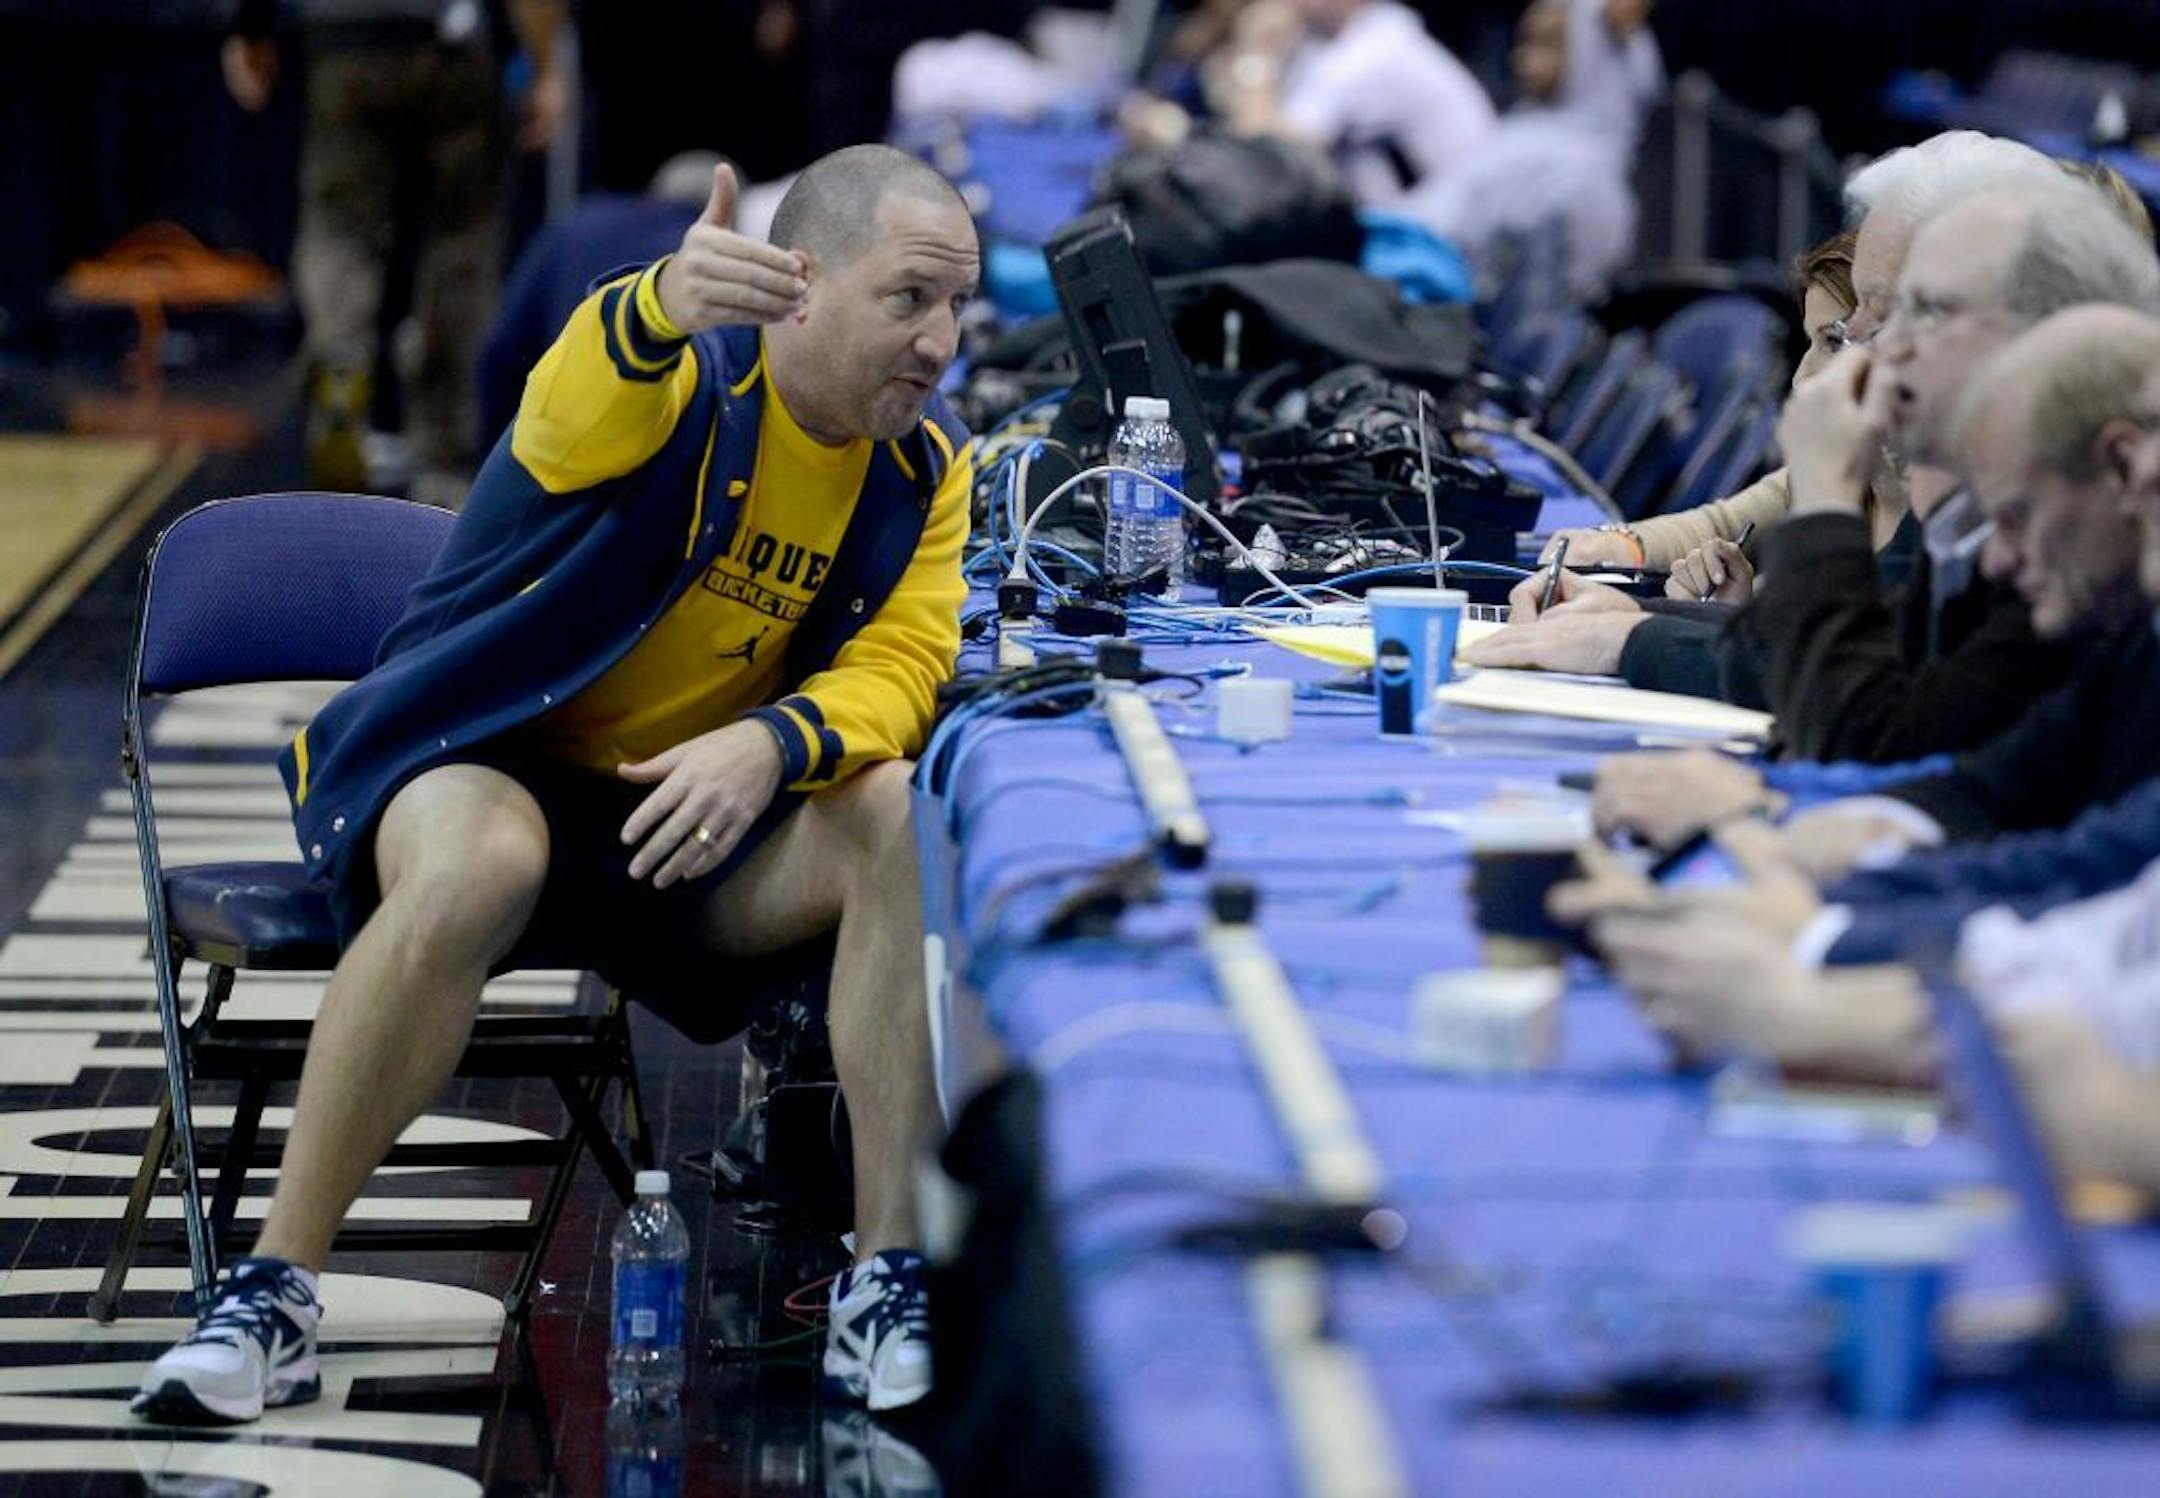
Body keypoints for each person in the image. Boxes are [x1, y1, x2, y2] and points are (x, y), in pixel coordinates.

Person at [131, 145, 980, 1426]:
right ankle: (270, 1293)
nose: (942, 340)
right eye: (910, 299)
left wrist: (776, 741)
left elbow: (908, 663)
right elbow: (575, 401)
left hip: (677, 828)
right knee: (486, 861)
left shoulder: (927, 469)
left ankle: (884, 1280)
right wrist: (652, 308)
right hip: (482, 767)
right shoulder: (672, 370)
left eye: (960, 306)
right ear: (799, 284)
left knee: (896, 811)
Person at [1568, 307, 2160, 1072]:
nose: (1866, 365)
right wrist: (1793, 837)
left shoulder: (2075, 605)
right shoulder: (2123, 625)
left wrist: (1819, 936)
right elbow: (1996, 798)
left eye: (1915, 315)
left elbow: (2090, 899)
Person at [1475, 146, 2151, 766]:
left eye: (1904, 312)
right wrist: (1636, 624)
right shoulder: (1986, 485)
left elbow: (1873, 720)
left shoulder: (2051, 506)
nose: (1864, 348)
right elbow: (1937, 748)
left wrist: (1826, 495)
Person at [223, 0, 570, 506]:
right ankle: (445, 454)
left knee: (339, 228)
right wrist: (544, 67)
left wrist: (250, 30)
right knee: (458, 247)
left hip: (346, 40)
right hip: (453, 40)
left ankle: (341, 358)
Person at [1538, 230, 1904, 576]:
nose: (1802, 379)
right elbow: (1720, 525)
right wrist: (1619, 547)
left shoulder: (1942, 512)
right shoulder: (1841, 469)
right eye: (1812, 343)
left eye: (1834, 342)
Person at [1214, 0, 1498, 208]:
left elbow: (1268, 159)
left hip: (1443, 243)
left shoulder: (1375, 53)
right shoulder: (1327, 42)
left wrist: (1256, 52)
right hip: (1403, 225)